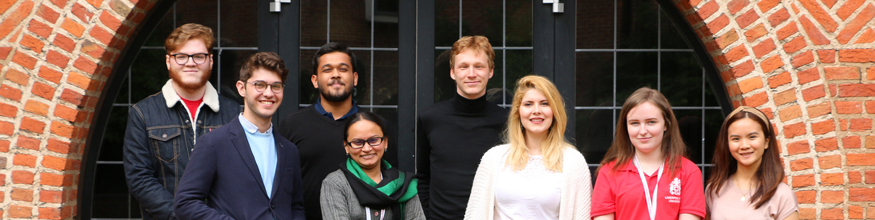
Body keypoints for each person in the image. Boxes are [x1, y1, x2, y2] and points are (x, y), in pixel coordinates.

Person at [123, 23, 240, 220]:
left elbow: (241, 175)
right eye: (181, 56)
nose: (190, 63)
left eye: (198, 56)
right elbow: (139, 178)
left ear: (210, 61)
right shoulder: (143, 113)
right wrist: (182, 215)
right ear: (168, 61)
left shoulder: (234, 113)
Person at [174, 52, 305, 219]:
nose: (269, 93)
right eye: (260, 85)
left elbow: (296, 206)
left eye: (276, 86)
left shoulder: (289, 149)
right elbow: (185, 202)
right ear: (241, 88)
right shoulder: (214, 143)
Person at [278, 42, 396, 219]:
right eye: (327, 70)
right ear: (315, 81)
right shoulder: (292, 125)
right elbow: (280, 185)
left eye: (343, 69)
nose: (335, 75)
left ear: (355, 78)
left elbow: (392, 184)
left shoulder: (376, 126)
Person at [465, 75, 591, 220]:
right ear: (518, 112)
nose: (536, 110)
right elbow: (474, 215)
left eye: (544, 103)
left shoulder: (573, 161)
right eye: (528, 104)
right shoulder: (493, 158)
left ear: (555, 111)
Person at [416, 36, 508, 220]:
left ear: (490, 71)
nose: (471, 74)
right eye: (464, 66)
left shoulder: (506, 121)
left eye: (479, 66)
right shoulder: (431, 118)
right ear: (452, 72)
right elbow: (424, 177)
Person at [591, 87, 706, 220]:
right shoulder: (609, 172)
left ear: (666, 124)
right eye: (634, 123)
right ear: (625, 127)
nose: (643, 131)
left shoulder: (688, 171)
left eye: (651, 122)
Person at [320, 111, 425, 220]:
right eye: (358, 142)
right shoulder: (335, 184)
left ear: (385, 142)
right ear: (346, 146)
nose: (367, 149)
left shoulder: (404, 184)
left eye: (373, 140)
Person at [705, 106, 798, 220]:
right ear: (727, 143)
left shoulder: (782, 194)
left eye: (752, 137)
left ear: (766, 142)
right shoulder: (714, 189)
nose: (744, 145)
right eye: (736, 139)